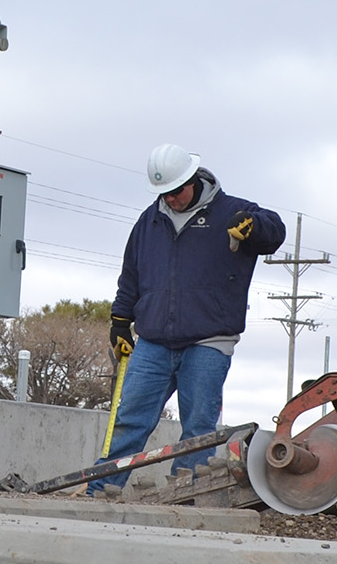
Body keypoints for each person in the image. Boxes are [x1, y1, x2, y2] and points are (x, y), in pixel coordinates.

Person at [95, 145, 285, 491]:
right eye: (163, 194)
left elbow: (274, 231)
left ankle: (183, 496)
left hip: (208, 342)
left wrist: (254, 227)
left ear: (193, 180)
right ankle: (100, 489)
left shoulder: (234, 212)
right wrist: (120, 320)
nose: (171, 200)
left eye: (176, 191)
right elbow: (131, 276)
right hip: (152, 342)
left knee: (198, 428)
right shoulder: (148, 221)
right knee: (129, 421)